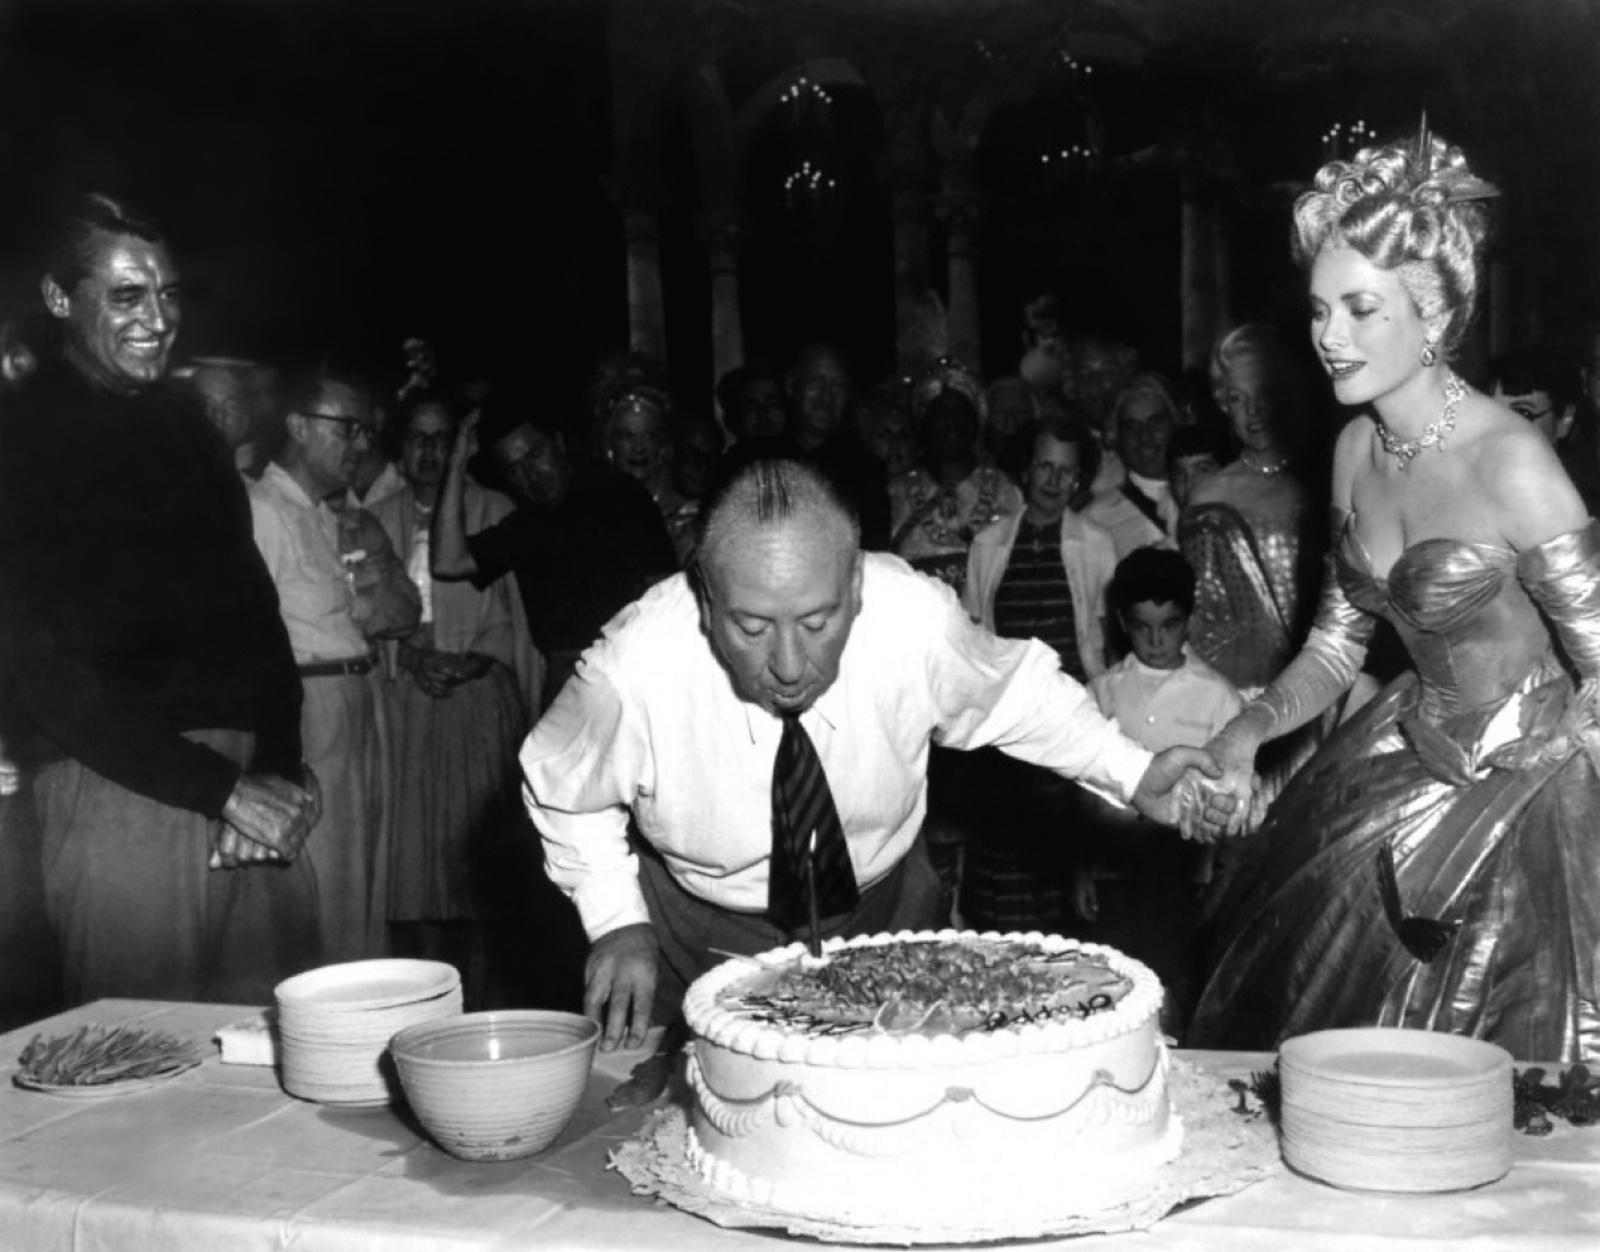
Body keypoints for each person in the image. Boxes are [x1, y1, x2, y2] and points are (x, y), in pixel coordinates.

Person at [522, 456, 1228, 1049]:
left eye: (817, 621)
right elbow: (560, 788)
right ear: (706, 602)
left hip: (886, 909)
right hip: (693, 929)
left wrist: (1135, 772)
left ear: (856, 588)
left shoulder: (910, 615)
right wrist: (616, 920)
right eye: (752, 628)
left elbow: (1018, 696)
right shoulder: (635, 666)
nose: (789, 665)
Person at [1188, 129, 1600, 1064]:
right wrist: (1246, 732)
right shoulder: (1351, 450)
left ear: (1434, 315)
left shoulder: (1512, 461)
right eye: (1319, 310)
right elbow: (1336, 647)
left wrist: (1539, 770)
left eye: (1361, 309)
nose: (1329, 337)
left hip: (1538, 794)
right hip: (1407, 757)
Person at [0, 193, 321, 1004]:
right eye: (126, 295)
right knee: (142, 1061)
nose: (158, 318)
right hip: (121, 791)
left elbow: (258, 617)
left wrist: (276, 767)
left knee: (282, 1047)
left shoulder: (189, 430)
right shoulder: (24, 441)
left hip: (251, 797)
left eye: (169, 293)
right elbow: (44, 672)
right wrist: (219, 790)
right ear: (59, 298)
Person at [371, 392, 542, 998]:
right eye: (416, 438)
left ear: (460, 448)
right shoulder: (375, 516)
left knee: (477, 862)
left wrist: (477, 657)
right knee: (411, 866)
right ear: (399, 446)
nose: (428, 451)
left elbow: (517, 614)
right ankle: (420, 1000)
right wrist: (413, 657)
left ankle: (486, 1002)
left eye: (441, 438)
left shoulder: (495, 508)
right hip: (407, 704)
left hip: (479, 701)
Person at [250, 368, 421, 963]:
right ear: (298, 426)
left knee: (366, 876)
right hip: (314, 708)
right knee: (329, 877)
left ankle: (364, 993)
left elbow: (388, 609)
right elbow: (252, 637)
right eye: (347, 428)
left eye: (365, 430)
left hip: (360, 698)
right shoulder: (262, 511)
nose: (361, 443)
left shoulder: (326, 515)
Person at [960, 414, 1120, 933]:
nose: (1054, 480)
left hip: (1069, 719)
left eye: (1066, 471)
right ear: (1026, 470)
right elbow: (974, 637)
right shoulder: (989, 544)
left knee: (1063, 872)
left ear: (1079, 479)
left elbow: (1103, 637)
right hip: (1005, 728)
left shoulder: (1096, 543)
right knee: (1002, 871)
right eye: (1045, 467)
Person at [1076, 548, 1241, 1034]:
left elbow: (1229, 799)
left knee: (1175, 987)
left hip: (1183, 874)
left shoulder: (1218, 696)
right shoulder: (1102, 691)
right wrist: (1080, 869)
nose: (1155, 639)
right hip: (1113, 869)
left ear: (1189, 620)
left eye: (1169, 625)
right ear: (1122, 623)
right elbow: (1082, 791)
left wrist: (1215, 880)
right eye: (1141, 626)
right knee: (1110, 989)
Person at [431, 393, 677, 704]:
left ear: (557, 442)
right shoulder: (526, 525)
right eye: (515, 470)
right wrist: (456, 461)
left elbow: (665, 594)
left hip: (630, 675)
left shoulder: (619, 496)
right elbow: (448, 562)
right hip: (566, 683)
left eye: (536, 454)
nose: (532, 475)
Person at [1182, 324, 1323, 694]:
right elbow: (1202, 618)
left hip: (1330, 675)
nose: (1254, 411)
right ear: (1223, 405)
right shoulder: (1210, 498)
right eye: (1238, 399)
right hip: (1247, 690)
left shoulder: (1325, 479)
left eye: (1264, 394)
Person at [1086, 371, 1182, 559]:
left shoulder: (1206, 497)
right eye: (1132, 427)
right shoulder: (1096, 518)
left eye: (1155, 423)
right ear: (1116, 436)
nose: (1145, 437)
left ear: (1174, 425)